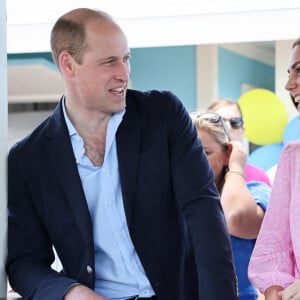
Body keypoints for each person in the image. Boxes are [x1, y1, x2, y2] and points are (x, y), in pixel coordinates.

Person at [6, 8, 238, 300]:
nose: (124, 73)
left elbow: (204, 213)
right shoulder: (28, 159)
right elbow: (24, 260)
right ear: (68, 64)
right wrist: (71, 292)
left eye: (127, 58)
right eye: (109, 61)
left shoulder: (163, 115)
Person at [191, 112, 270, 300]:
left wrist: (236, 167)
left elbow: (235, 217)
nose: (192, 161)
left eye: (205, 152)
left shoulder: (255, 192)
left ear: (227, 154)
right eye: (186, 151)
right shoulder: (171, 200)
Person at [248, 38, 300, 300]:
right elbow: (273, 248)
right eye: (289, 73)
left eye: (299, 70)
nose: (289, 85)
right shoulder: (294, 157)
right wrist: (275, 289)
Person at [207, 99, 272, 187]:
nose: (228, 127)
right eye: (220, 122)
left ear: (242, 131)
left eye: (235, 122)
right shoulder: (196, 171)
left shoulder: (258, 177)